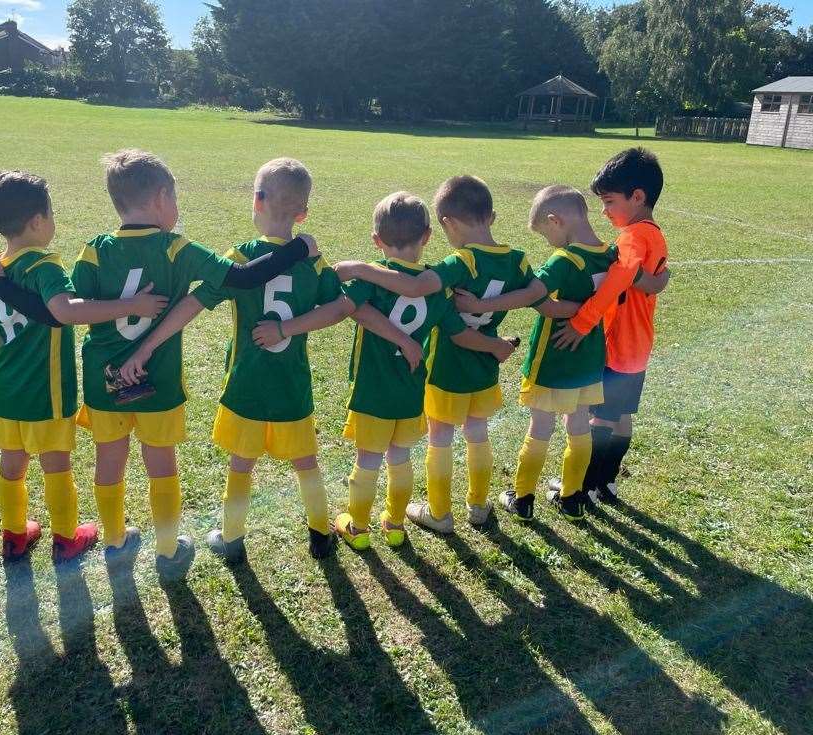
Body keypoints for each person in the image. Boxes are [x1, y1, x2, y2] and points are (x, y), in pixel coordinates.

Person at [119, 158, 421, 563]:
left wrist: (149, 344)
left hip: (246, 384)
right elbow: (341, 308)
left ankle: (231, 539)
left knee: (241, 464)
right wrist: (291, 328)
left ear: (257, 201)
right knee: (306, 463)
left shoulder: (240, 258)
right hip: (291, 386)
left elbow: (193, 303)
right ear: (303, 213)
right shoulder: (313, 261)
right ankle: (319, 532)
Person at [71, 149, 323, 581]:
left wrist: (131, 321)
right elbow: (250, 279)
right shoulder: (176, 248)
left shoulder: (94, 250)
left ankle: (115, 541)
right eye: (176, 198)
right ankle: (169, 549)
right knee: (162, 464)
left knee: (109, 462)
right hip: (162, 384)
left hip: (106, 381)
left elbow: (74, 306)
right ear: (162, 197)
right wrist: (300, 249)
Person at [332, 176, 559, 533]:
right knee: (478, 433)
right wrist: (495, 327)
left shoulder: (459, 263)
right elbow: (536, 294)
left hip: (444, 368)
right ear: (493, 216)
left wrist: (362, 268)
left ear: (447, 224)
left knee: (439, 438)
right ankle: (478, 505)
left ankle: (439, 513)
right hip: (485, 368)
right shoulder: (517, 261)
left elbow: (414, 285)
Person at [0, 170, 168, 563]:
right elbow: (64, 311)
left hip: (5, 385)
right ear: (37, 222)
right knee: (55, 464)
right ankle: (67, 538)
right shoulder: (44, 267)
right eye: (51, 212)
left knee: (12, 462)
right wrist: (132, 305)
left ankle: (14, 534)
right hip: (44, 388)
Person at [456, 185, 617, 522]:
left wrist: (481, 305)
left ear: (554, 220)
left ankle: (523, 497)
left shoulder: (565, 259)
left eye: (546, 234)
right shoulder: (610, 253)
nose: (549, 244)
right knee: (579, 424)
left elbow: (531, 294)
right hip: (589, 358)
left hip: (554, 357)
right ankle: (573, 497)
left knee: (541, 426)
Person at [549, 148, 670, 505]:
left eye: (609, 201)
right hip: (639, 346)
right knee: (619, 416)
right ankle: (607, 483)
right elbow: (648, 280)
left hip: (616, 343)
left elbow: (618, 278)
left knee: (598, 420)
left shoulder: (633, 236)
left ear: (637, 197)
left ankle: (582, 486)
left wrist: (584, 322)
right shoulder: (654, 234)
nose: (604, 210)